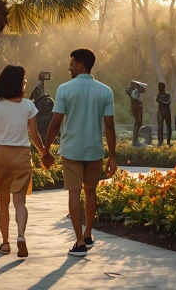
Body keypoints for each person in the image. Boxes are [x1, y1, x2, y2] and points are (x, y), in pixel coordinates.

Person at [45, 49, 118, 257]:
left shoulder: (65, 89)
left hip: (71, 150)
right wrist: (112, 156)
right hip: (94, 150)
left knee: (74, 193)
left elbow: (56, 122)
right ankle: (87, 234)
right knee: (91, 191)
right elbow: (110, 126)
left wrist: (47, 149)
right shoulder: (105, 91)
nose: (68, 67)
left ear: (80, 65)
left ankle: (79, 243)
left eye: (71, 63)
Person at [0, 65, 48, 258]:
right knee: (20, 202)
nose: (26, 81)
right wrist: (44, 153)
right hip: (22, 155)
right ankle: (21, 235)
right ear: (18, 81)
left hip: (1, 155)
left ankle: (5, 244)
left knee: (2, 202)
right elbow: (34, 135)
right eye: (24, 78)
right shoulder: (28, 105)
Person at [156, 82, 172, 146]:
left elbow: (168, 103)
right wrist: (160, 101)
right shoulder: (158, 95)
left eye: (159, 87)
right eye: (158, 86)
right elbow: (157, 100)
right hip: (160, 112)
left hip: (167, 112)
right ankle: (160, 142)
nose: (158, 88)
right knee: (160, 127)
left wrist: (161, 102)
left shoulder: (167, 94)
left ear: (163, 87)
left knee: (169, 127)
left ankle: (168, 142)